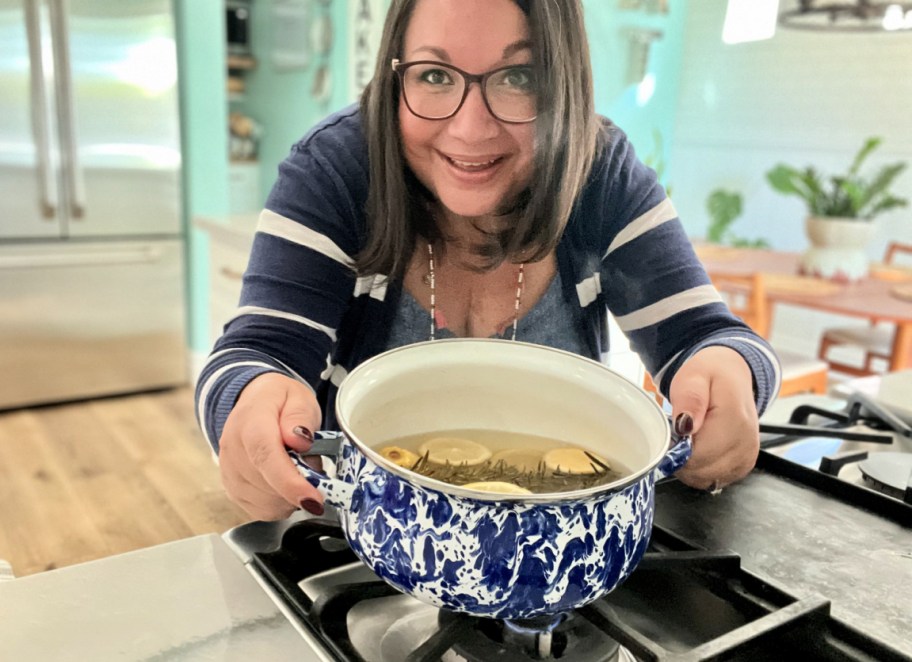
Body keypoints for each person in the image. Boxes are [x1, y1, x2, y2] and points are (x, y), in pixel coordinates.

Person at [196, 0, 781, 522]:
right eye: (433, 74)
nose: (470, 128)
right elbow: (255, 352)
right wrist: (246, 405)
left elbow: (711, 338)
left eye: (518, 76)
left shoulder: (601, 175)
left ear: (563, 84)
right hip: (358, 537)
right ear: (395, 75)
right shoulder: (336, 170)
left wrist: (729, 377)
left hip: (555, 550)